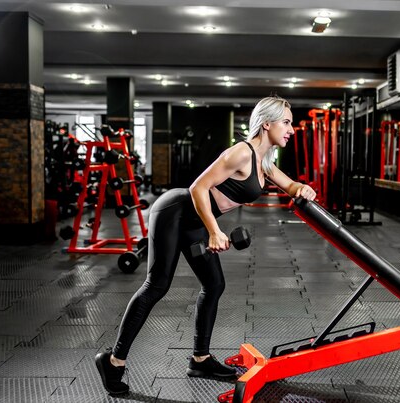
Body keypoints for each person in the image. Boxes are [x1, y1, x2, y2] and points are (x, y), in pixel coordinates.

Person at [95, 96, 317, 395]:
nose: (292, 129)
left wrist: (302, 188)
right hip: (174, 211)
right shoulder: (242, 152)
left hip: (194, 220)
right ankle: (113, 360)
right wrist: (214, 231)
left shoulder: (264, 162)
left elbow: (290, 185)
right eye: (287, 122)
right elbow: (198, 187)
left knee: (214, 285)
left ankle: (200, 359)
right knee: (157, 286)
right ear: (267, 123)